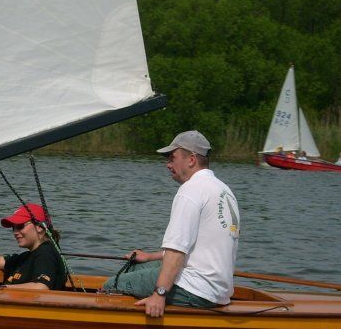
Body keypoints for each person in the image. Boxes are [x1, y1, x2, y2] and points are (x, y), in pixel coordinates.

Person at [102, 130, 240, 318]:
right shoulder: (224, 190)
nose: (168, 164)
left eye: (172, 158)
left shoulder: (190, 191)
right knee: (134, 268)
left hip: (196, 290)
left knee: (110, 285)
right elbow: (196, 246)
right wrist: (150, 257)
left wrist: (159, 295)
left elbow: (177, 251)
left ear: (191, 160)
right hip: (218, 291)